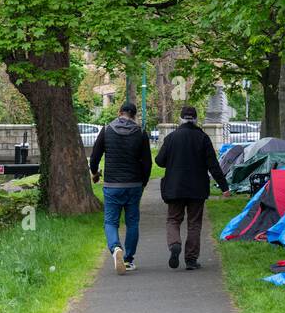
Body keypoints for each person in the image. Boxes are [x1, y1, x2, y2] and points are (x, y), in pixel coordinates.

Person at [155, 105, 229, 270]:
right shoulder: (203, 138)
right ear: (195, 119)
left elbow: (159, 161)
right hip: (197, 188)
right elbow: (213, 165)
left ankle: (174, 244)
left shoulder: (171, 138)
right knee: (194, 223)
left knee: (173, 219)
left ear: (180, 119)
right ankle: (191, 259)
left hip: (174, 187)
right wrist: (224, 187)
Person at [90, 102, 152, 275]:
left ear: (119, 112)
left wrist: (95, 173)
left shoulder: (107, 129)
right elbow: (147, 163)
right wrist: (144, 182)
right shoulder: (140, 133)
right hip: (134, 185)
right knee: (132, 222)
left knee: (110, 221)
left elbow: (94, 157)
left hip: (112, 185)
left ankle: (116, 248)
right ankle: (128, 260)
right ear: (134, 115)